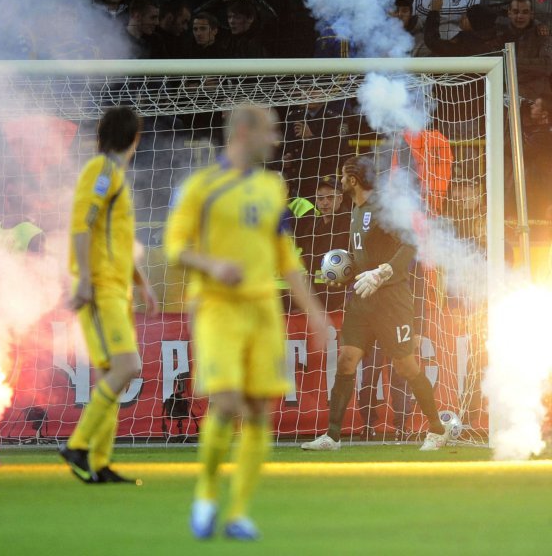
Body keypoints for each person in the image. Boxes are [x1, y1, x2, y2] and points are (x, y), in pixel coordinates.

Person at [165, 105, 329, 540]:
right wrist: (213, 265)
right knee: (227, 401)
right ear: (243, 131)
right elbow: (174, 246)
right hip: (218, 306)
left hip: (263, 310)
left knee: (259, 410)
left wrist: (313, 310)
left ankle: (237, 512)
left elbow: (284, 255)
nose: (276, 140)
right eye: (270, 132)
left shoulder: (273, 186)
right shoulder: (200, 187)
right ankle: (205, 496)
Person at [301, 156, 450, 452]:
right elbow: (361, 258)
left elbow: (410, 244)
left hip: (392, 300)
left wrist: (382, 273)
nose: (340, 181)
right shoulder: (355, 210)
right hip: (361, 299)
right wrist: (344, 276)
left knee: (406, 366)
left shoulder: (382, 207)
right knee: (346, 360)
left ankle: (436, 429)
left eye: (343, 176)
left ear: (353, 180)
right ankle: (332, 436)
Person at [59, 106, 159, 484]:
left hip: (116, 287)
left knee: (110, 373)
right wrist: (85, 279)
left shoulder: (113, 174)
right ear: (135, 138)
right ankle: (78, 444)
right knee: (126, 367)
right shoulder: (100, 171)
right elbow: (81, 226)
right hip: (100, 287)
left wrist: (140, 281)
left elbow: (112, 237)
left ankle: (99, 463)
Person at [294, 175, 351, 313]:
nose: (325, 202)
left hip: (338, 297)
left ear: (340, 198)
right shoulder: (313, 225)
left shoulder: (349, 223)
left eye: (330, 198)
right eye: (320, 198)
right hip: (314, 297)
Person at [497, 0, 552, 99]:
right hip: (507, 96)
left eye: (525, 12)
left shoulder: (543, 36)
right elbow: (498, 69)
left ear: (531, 14)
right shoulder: (500, 36)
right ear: (509, 13)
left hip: (538, 99)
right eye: (515, 11)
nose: (520, 16)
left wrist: (512, 63)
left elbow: (547, 67)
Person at [424, 0, 501, 56]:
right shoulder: (492, 40)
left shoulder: (466, 44)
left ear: (474, 24)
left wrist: (434, 11)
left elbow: (432, 41)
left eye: (467, 15)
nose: (462, 16)